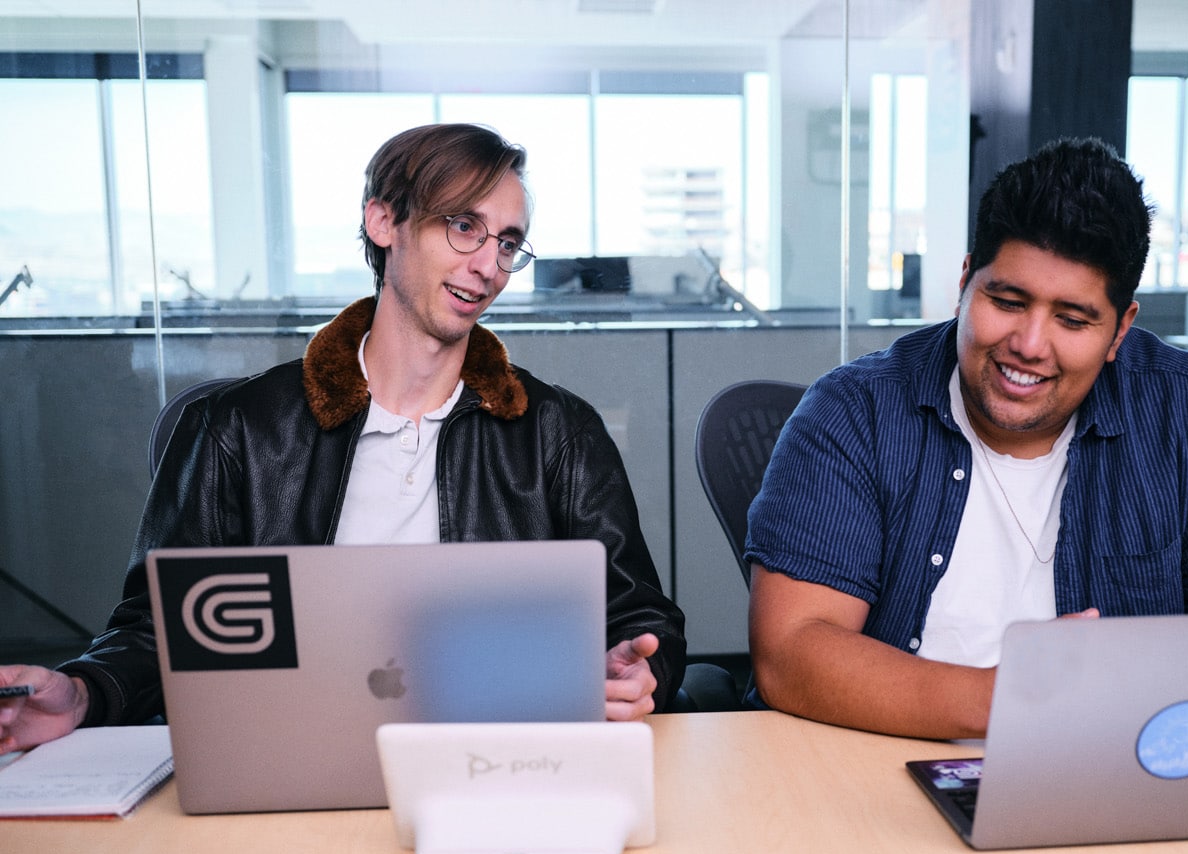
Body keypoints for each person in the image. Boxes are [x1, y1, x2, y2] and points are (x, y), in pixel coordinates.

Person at [0, 122, 685, 755]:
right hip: (287, 762)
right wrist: (84, 692)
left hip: (498, 767)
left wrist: (636, 669)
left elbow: (640, 616)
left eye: (507, 242)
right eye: (464, 226)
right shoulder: (237, 429)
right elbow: (161, 634)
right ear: (384, 221)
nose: (489, 265)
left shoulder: (557, 433)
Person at [746, 137, 1188, 741]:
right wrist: (1006, 701)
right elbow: (788, 655)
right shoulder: (855, 412)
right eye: (1007, 300)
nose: (1029, 343)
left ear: (1120, 328)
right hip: (881, 766)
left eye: (1072, 320)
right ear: (967, 280)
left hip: (1116, 773)